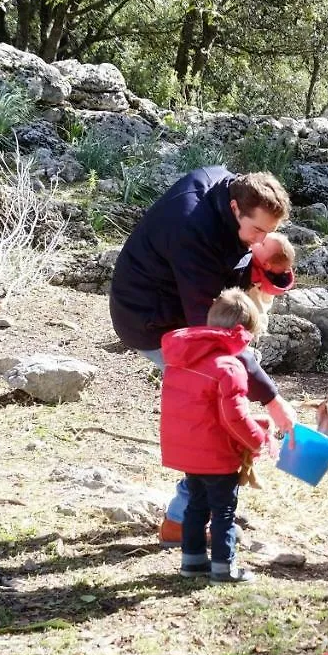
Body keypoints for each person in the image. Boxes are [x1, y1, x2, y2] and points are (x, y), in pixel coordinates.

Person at [108, 166, 297, 545]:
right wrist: (273, 401)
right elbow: (215, 338)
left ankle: (207, 505)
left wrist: (255, 267)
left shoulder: (230, 186)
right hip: (150, 319)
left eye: (268, 232)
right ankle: (182, 520)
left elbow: (234, 252)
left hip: (180, 302)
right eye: (257, 231)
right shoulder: (191, 232)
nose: (261, 239)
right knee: (214, 411)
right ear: (234, 208)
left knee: (227, 401)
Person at [159, 290, 268, 583]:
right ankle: (224, 567)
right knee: (223, 511)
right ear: (242, 333)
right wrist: (258, 440)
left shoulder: (181, 359)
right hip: (218, 456)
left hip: (188, 453)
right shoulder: (229, 367)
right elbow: (234, 418)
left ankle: (191, 561)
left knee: (196, 505)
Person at [245, 231, 296, 340]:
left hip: (254, 301)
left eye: (262, 244)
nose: (258, 241)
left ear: (266, 264)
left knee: (257, 313)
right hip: (259, 298)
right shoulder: (268, 269)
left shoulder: (256, 275)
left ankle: (257, 333)